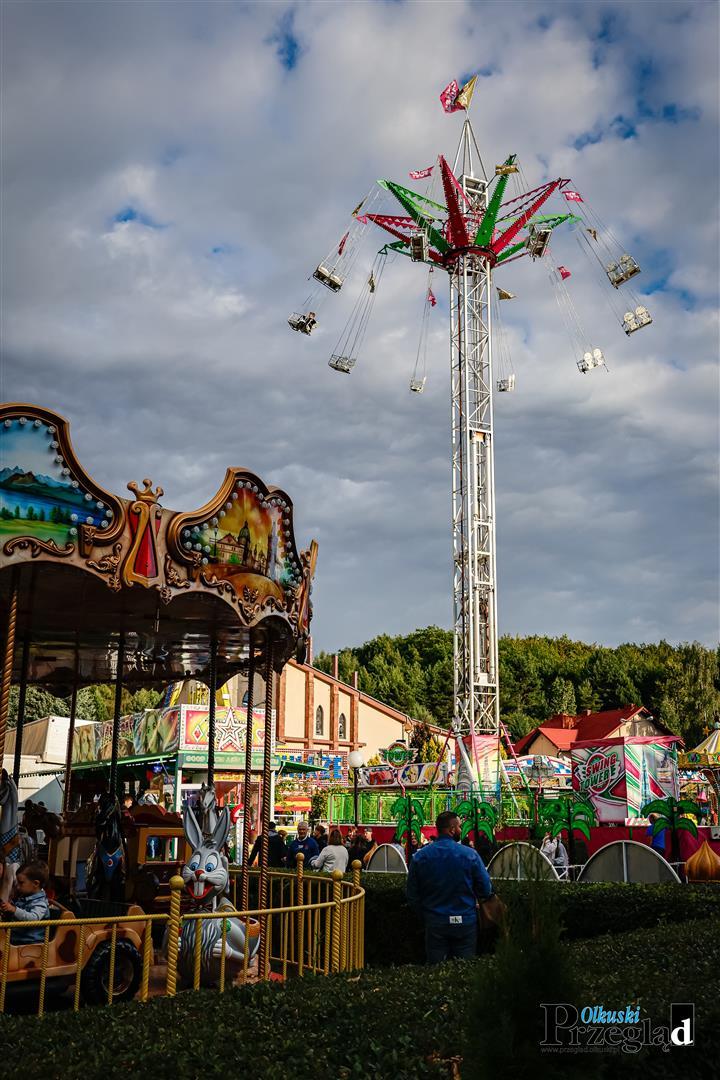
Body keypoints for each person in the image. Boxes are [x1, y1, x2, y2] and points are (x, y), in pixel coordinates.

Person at [407, 811, 493, 964]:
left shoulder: (420, 857)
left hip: (435, 922)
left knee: (436, 970)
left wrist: (427, 916)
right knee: (464, 969)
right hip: (465, 922)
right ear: (452, 830)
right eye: (459, 827)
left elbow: (412, 895)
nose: (461, 830)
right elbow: (486, 889)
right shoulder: (470, 855)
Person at [0, 860, 50, 944]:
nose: (17, 886)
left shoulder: (40, 903)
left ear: (35, 883)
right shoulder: (23, 896)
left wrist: (14, 910)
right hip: (16, 938)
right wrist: (7, 911)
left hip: (31, 942)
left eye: (21, 883)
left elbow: (33, 919)